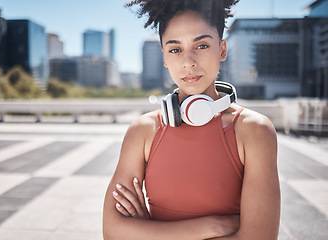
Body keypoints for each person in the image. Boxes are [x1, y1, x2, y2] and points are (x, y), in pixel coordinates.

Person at [103, 0, 281, 239]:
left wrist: (149, 233)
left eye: (202, 45)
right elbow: (113, 232)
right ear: (164, 57)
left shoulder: (254, 131)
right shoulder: (144, 130)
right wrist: (212, 226)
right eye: (175, 49)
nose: (188, 62)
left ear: (222, 49)